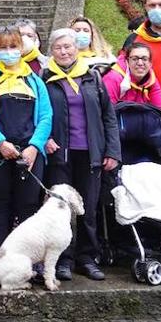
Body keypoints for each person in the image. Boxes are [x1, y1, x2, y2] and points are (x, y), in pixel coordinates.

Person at [43, 29, 121, 281]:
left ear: (76, 48)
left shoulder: (93, 78)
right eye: (58, 48)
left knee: (88, 209)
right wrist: (45, 139)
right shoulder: (44, 78)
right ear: (51, 51)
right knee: (60, 211)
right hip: (59, 154)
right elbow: (39, 115)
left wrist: (112, 151)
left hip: (91, 153)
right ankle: (62, 260)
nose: (64, 52)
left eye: (68, 47)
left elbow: (108, 117)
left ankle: (86, 258)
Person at [0, 26, 53, 255]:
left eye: (13, 46)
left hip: (29, 154)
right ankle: (2, 259)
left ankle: (27, 260)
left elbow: (46, 117)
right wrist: (0, 143)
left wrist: (35, 147)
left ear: (21, 47)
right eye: (3, 47)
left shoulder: (36, 81)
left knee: (28, 207)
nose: (8, 51)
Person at [102, 42, 161, 113]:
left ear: (150, 63)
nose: (140, 63)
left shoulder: (150, 79)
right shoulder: (113, 78)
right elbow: (107, 114)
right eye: (134, 59)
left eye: (144, 59)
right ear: (127, 61)